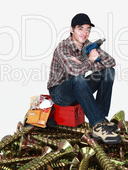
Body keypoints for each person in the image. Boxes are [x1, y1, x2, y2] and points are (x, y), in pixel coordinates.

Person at [47, 13, 121, 144]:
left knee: (109, 72)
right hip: (59, 93)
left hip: (80, 89)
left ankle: (102, 118)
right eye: (80, 28)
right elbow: (74, 71)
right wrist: (90, 60)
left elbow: (111, 62)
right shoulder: (63, 48)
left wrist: (86, 61)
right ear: (72, 30)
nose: (84, 33)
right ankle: (97, 125)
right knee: (77, 79)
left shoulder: (88, 45)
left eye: (88, 29)